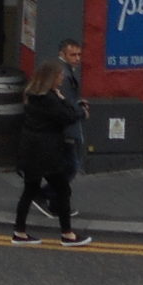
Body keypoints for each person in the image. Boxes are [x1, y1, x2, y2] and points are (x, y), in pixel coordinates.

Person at [13, 59, 92, 245]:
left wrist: (61, 99)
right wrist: (78, 109)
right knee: (63, 189)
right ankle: (67, 235)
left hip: (30, 149)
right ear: (51, 78)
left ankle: (19, 232)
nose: (62, 78)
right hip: (47, 152)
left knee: (29, 190)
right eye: (59, 75)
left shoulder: (33, 94)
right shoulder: (49, 99)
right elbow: (68, 117)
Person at [57, 38, 89, 184]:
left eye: (79, 55)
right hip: (67, 130)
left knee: (67, 167)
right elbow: (66, 106)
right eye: (73, 55)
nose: (77, 59)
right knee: (71, 167)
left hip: (63, 128)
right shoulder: (65, 75)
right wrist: (82, 112)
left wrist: (77, 102)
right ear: (63, 54)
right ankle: (45, 195)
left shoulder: (63, 70)